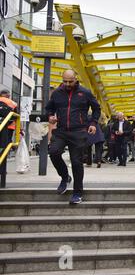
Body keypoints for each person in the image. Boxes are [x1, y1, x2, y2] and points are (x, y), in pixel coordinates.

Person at [46, 70, 101, 204]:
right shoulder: (57, 93)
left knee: (76, 162)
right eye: (65, 81)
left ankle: (77, 193)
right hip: (61, 130)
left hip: (78, 131)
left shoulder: (85, 92)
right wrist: (50, 116)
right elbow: (49, 108)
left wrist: (93, 123)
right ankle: (65, 177)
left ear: (76, 79)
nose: (67, 84)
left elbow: (96, 108)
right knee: (53, 152)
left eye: (70, 81)